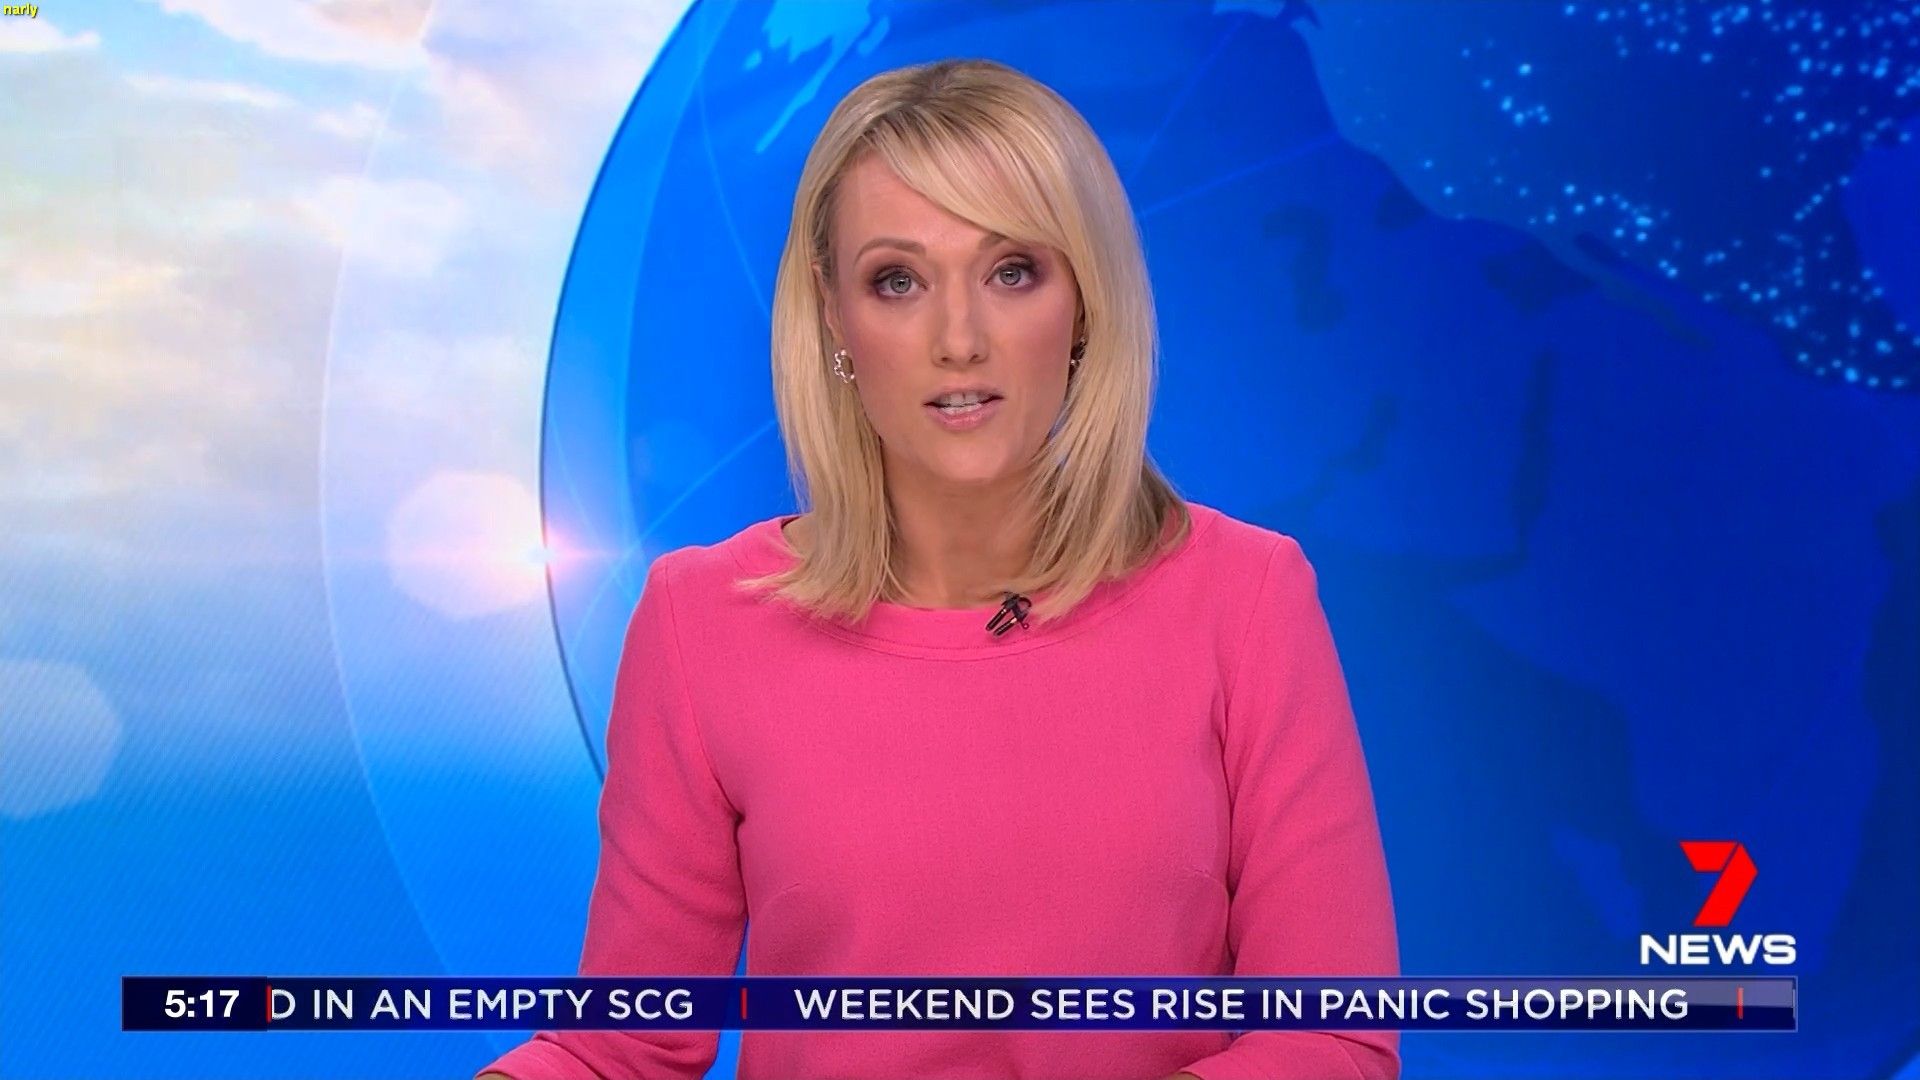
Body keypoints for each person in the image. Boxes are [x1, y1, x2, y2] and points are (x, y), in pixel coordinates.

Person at [477, 57, 1397, 1080]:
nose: (960, 340)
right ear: (834, 315)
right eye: (898, 281)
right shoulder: (701, 621)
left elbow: (1333, 1039)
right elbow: (623, 1045)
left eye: (1012, 271)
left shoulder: (1247, 598)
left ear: (1085, 302)